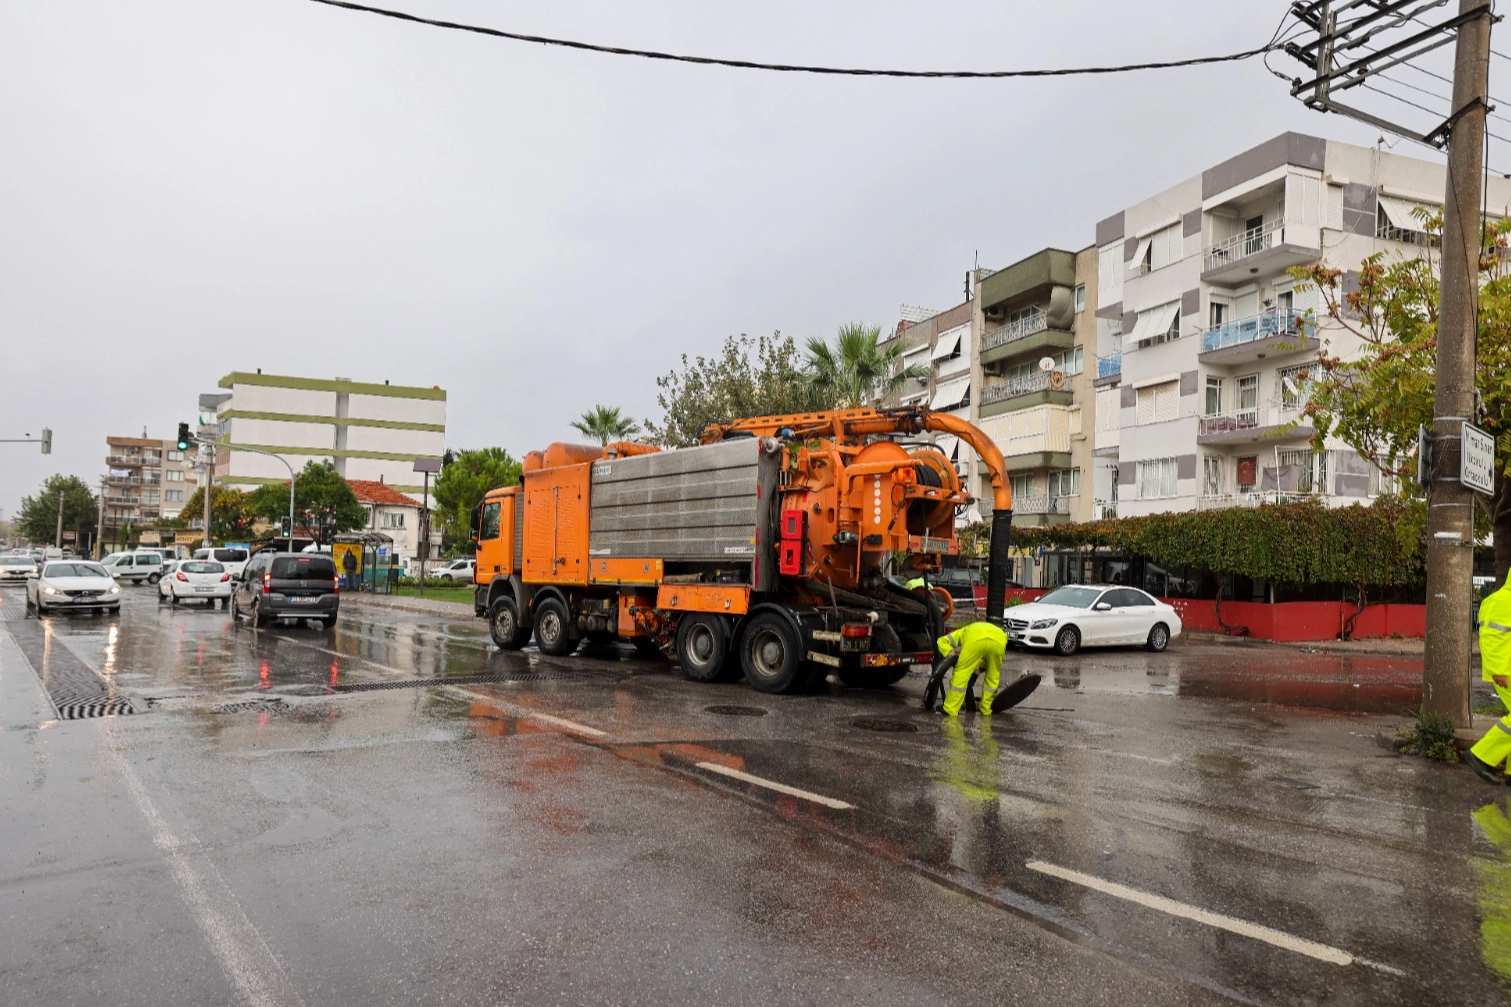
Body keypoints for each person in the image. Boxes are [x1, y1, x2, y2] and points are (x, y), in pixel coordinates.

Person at [1468, 578, 1511, 783]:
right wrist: (1498, 670)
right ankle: (1482, 756)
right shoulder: (1503, 600)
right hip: (1506, 672)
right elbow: (1492, 639)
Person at [936, 619, 1008, 717]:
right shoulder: (984, 628)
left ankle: (950, 709)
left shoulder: (963, 632)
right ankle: (986, 709)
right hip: (1000, 640)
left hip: (975, 640)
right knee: (993, 675)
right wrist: (976, 673)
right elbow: (987, 660)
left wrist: (952, 655)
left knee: (961, 674)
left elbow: (941, 641)